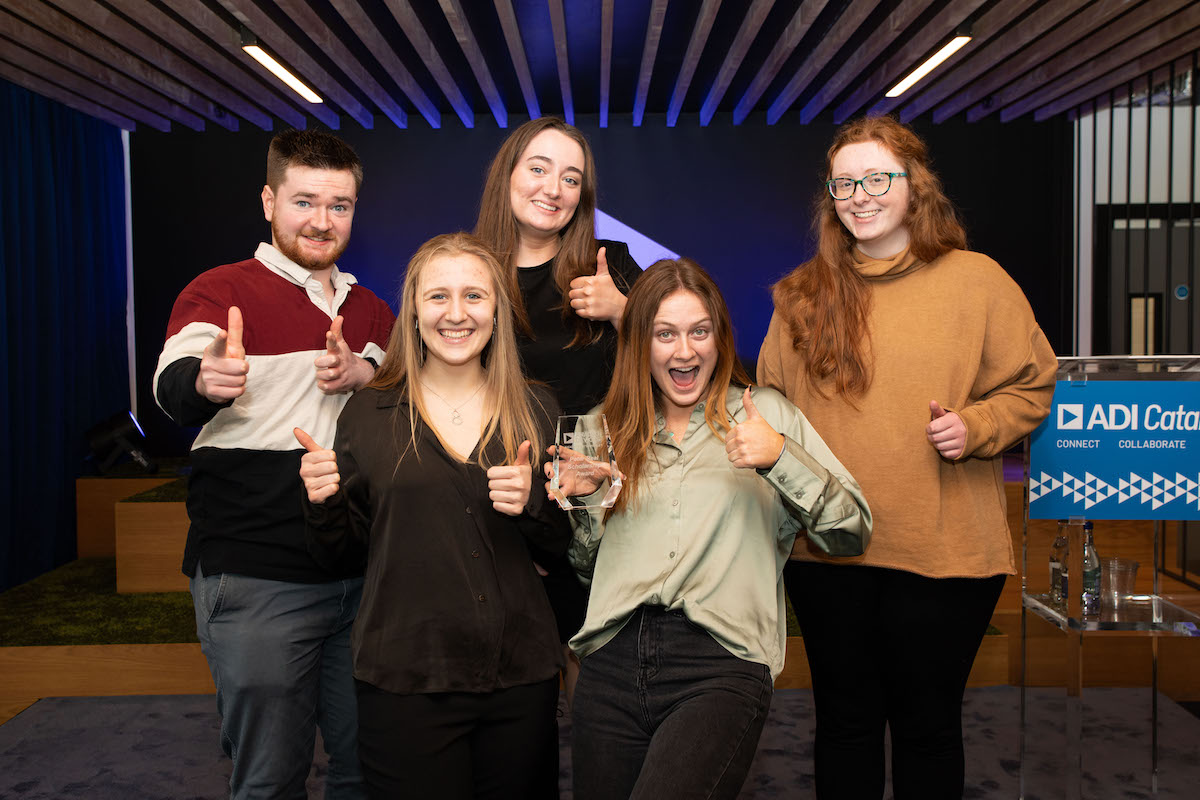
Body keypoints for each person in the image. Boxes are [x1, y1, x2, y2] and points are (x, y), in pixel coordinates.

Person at [757, 115, 1057, 799]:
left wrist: (977, 425)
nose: (859, 195)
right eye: (843, 184)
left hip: (945, 552)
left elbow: (1032, 383)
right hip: (828, 553)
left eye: (877, 178)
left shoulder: (977, 281)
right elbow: (771, 406)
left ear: (914, 185)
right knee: (844, 724)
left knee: (927, 730)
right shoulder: (802, 293)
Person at [556, 259, 871, 800]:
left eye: (699, 331)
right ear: (639, 344)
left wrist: (779, 459)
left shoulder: (763, 415)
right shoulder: (599, 428)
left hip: (719, 663)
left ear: (719, 338)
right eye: (665, 334)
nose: (685, 351)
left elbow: (852, 531)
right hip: (611, 660)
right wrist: (587, 505)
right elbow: (588, 571)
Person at [153, 129, 394, 799]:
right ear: (268, 200)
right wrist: (207, 379)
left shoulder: (369, 308)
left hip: (361, 579)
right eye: (305, 201)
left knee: (368, 773)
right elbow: (174, 379)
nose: (323, 220)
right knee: (269, 780)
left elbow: (405, 383)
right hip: (258, 577)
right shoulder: (220, 292)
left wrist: (363, 370)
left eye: (340, 205)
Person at [297, 232, 569, 800]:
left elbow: (560, 551)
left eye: (474, 296)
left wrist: (534, 507)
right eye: (438, 296)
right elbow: (345, 556)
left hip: (520, 677)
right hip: (406, 680)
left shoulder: (538, 408)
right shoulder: (369, 413)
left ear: (497, 310)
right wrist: (323, 503)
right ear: (413, 312)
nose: (456, 313)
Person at [473, 116, 642, 704]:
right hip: (499, 494)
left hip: (597, 494)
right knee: (517, 690)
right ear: (508, 176)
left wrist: (624, 311)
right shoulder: (472, 271)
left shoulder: (609, 263)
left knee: (605, 687)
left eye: (571, 178)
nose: (554, 187)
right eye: (539, 169)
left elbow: (684, 356)